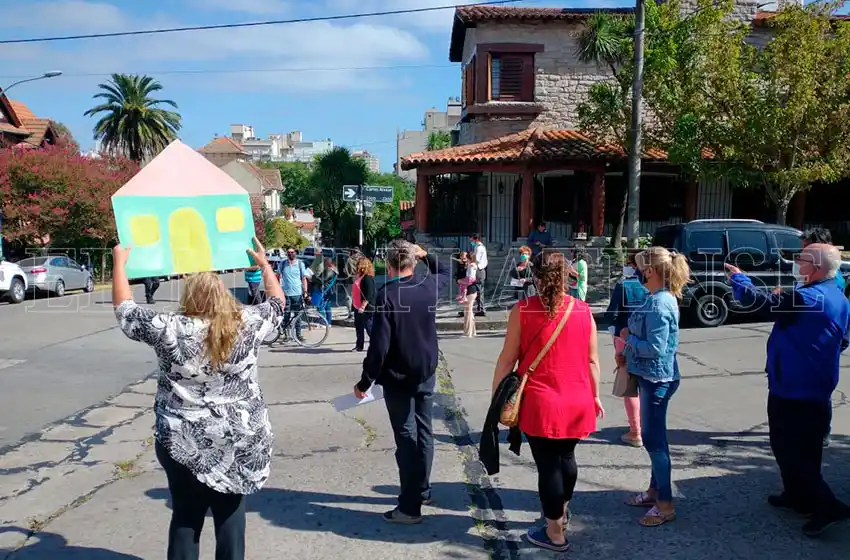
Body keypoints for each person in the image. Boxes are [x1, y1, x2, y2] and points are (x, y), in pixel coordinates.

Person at [112, 237, 284, 560]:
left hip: (181, 441)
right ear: (223, 294)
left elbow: (126, 313)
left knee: (186, 517)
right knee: (231, 514)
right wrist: (264, 265)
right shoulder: (247, 323)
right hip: (237, 439)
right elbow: (278, 304)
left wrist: (119, 263)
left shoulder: (171, 328)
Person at [726, 243, 850, 537]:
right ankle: (797, 497)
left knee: (793, 451)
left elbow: (759, 302)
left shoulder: (808, 298)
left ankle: (828, 506)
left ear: (816, 267)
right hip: (810, 384)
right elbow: (843, 339)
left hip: (796, 388)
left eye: (802, 259)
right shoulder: (837, 294)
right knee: (800, 449)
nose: (796, 262)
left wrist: (739, 278)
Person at [490, 251, 603, 552]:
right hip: (578, 398)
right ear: (567, 276)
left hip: (541, 402)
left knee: (548, 466)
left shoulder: (523, 309)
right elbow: (592, 361)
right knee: (566, 458)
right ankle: (562, 512)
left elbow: (507, 359)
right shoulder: (583, 310)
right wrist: (595, 395)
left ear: (535, 277)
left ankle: (554, 531)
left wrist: (496, 397)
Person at [352, 240, 450, 524]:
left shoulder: (388, 295)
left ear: (389, 263)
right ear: (413, 261)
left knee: (406, 437)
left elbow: (379, 347)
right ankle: (423, 489)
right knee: (424, 431)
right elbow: (445, 271)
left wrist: (364, 382)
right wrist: (426, 255)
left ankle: (410, 507)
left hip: (398, 377)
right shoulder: (426, 287)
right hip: (426, 371)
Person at [618, 246, 690, 527]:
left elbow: (657, 348)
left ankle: (665, 504)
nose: (636, 272)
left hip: (657, 379)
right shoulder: (658, 297)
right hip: (652, 377)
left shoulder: (660, 303)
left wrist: (628, 340)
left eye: (639, 268)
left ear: (650, 271)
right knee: (653, 440)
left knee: (655, 443)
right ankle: (654, 492)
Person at [605, 251, 649, 447]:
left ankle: (635, 431)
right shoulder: (655, 287)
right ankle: (647, 427)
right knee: (648, 386)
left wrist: (615, 337)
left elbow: (612, 314)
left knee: (630, 386)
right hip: (648, 338)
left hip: (624, 336)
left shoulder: (624, 285)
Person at [277, 248, 308, 339]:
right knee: (286, 315)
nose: (290, 254)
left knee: (298, 315)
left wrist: (305, 291)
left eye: (292, 252)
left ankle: (298, 335)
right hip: (285, 294)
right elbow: (277, 277)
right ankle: (286, 335)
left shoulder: (300, 264)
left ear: (295, 253)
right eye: (289, 252)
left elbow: (303, 278)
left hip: (297, 294)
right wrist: (278, 290)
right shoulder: (282, 264)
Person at [353, 256, 376, 352]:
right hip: (357, 306)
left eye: (359, 264)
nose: (357, 266)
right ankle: (359, 345)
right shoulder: (360, 277)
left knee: (369, 326)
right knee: (359, 327)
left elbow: (368, 294)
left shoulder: (368, 278)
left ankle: (376, 343)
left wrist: (363, 306)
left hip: (366, 308)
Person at [310, 257, 337, 324]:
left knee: (320, 306)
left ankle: (323, 322)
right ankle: (328, 322)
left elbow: (322, 280)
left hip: (323, 290)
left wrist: (313, 277)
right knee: (327, 307)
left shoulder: (329, 270)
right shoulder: (333, 270)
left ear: (327, 263)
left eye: (324, 262)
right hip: (328, 290)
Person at [460, 253, 479, 337]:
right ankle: (472, 331)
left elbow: (470, 280)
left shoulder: (471, 266)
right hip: (471, 290)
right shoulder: (472, 265)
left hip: (470, 290)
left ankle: (468, 332)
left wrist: (460, 281)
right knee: (469, 311)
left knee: (467, 311)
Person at [470, 234, 488, 316]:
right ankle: (479, 308)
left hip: (479, 270)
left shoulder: (479, 248)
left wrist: (470, 258)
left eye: (471, 240)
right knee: (479, 290)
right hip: (480, 270)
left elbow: (476, 260)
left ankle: (481, 309)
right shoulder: (481, 247)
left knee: (479, 290)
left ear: (475, 239)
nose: (471, 242)